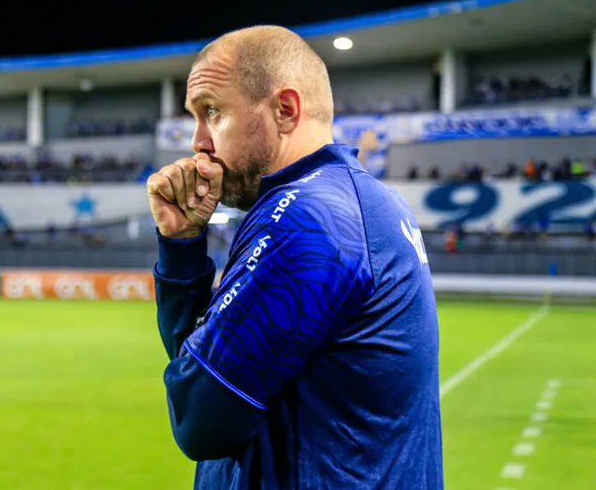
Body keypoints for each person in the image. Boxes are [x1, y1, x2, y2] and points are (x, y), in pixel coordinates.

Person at [147, 25, 443, 490]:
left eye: (212, 112)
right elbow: (200, 365)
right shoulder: (354, 200)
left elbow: (199, 420)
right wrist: (182, 245)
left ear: (285, 111)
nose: (198, 141)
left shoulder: (308, 219)